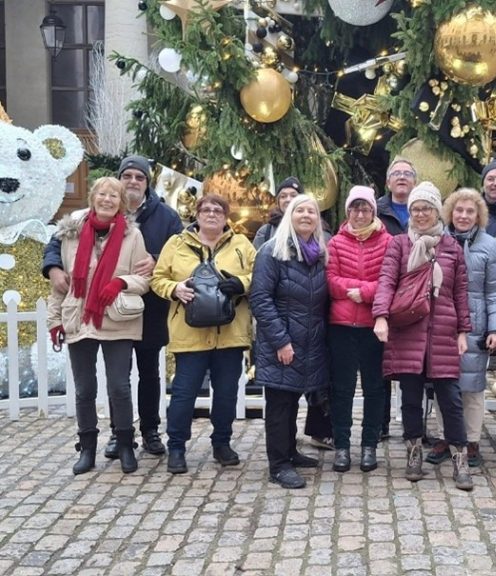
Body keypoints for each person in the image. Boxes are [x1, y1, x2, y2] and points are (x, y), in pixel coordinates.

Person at [43, 155, 183, 458]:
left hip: (144, 309)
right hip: (95, 311)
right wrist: (53, 267)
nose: (133, 181)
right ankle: (117, 437)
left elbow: (180, 254)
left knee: (146, 375)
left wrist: (158, 263)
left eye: (139, 177)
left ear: (147, 182)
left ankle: (149, 431)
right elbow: (58, 247)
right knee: (110, 381)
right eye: (127, 176)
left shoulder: (165, 217)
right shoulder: (83, 219)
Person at [372, 182, 474, 491]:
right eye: (416, 209)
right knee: (411, 398)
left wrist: (463, 331)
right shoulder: (399, 245)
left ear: (436, 211)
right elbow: (387, 281)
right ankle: (414, 450)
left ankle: (460, 456)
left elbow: (460, 292)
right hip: (407, 330)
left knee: (451, 400)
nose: (421, 214)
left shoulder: (451, 247)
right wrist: (381, 316)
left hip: (442, 330)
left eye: (426, 208)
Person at [47, 176, 150, 475]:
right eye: (102, 194)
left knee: (119, 386)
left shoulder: (133, 236)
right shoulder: (71, 234)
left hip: (116, 319)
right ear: (93, 198)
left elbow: (144, 279)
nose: (107, 200)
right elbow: (60, 285)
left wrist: (121, 282)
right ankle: (87, 447)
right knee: (84, 389)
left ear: (122, 203)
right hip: (79, 317)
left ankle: (126, 445)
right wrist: (55, 321)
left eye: (113, 196)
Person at [151, 194, 256, 474]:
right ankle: (176, 446)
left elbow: (259, 275)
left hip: (230, 333)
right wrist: (174, 289)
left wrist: (241, 283)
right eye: (206, 209)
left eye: (218, 210)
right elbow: (157, 278)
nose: (211, 214)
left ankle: (221, 443)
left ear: (226, 216)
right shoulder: (176, 244)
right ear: (196, 214)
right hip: (189, 332)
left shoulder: (241, 244)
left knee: (225, 394)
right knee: (184, 394)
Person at [249, 194, 330, 489]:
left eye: (311, 211)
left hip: (310, 341)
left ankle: (290, 452)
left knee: (294, 399)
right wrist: (281, 341)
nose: (306, 215)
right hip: (281, 341)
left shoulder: (319, 254)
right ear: (289, 216)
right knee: (280, 404)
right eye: (300, 211)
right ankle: (278, 464)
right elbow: (260, 298)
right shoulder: (272, 252)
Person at [425, 188, 496, 469]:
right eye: (459, 210)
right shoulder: (437, 241)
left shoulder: (490, 246)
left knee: (472, 386)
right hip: (442, 322)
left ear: (478, 215)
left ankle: (470, 441)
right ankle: (446, 437)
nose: (463, 215)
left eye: (470, 211)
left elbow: (495, 291)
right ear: (450, 212)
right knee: (443, 383)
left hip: (475, 323)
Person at [326, 186, 392, 473]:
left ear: (373, 212)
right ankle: (341, 446)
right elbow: (330, 279)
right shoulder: (336, 243)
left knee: (375, 388)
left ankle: (369, 445)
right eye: (355, 208)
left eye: (365, 209)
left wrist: (362, 292)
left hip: (372, 326)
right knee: (342, 389)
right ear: (348, 211)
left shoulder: (388, 242)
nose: (360, 214)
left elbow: (389, 280)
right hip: (341, 325)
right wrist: (349, 290)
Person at [376, 159, 418, 440]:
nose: (402, 178)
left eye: (407, 173)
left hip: (416, 300)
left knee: (414, 366)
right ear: (388, 182)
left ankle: (414, 427)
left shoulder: (426, 210)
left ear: (414, 181)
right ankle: (380, 424)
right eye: (396, 173)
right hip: (383, 295)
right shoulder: (375, 211)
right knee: (382, 365)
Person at [253, 176, 303, 249]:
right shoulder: (265, 232)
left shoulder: (312, 228)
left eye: (293, 195)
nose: (288, 199)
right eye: (283, 196)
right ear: (278, 202)